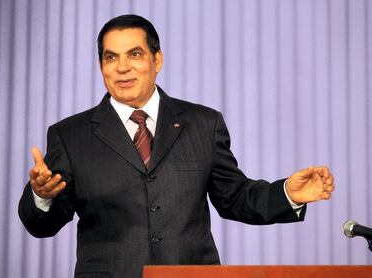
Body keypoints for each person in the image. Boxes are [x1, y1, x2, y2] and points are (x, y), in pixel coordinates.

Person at [19, 14, 335, 278]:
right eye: (110, 57)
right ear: (101, 65)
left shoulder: (202, 124)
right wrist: (42, 196)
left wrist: (287, 194)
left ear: (157, 59)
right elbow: (42, 225)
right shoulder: (71, 135)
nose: (122, 67)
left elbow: (234, 197)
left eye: (135, 54)